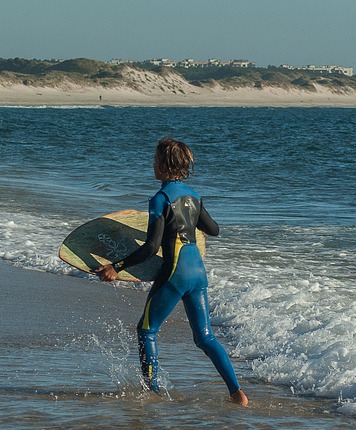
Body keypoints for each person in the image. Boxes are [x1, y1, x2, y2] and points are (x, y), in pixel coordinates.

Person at [95, 138, 249, 406]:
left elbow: (150, 247)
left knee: (146, 331)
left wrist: (116, 267)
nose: (152, 165)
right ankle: (237, 393)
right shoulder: (194, 196)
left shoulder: (160, 198)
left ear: (164, 166)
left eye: (155, 160)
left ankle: (152, 391)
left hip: (175, 271)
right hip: (198, 272)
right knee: (205, 336)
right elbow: (214, 230)